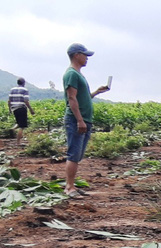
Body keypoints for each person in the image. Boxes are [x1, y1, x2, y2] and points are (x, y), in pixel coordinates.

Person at [62, 43, 110, 198]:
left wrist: (96, 92)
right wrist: (79, 120)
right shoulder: (72, 74)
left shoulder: (78, 74)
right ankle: (69, 188)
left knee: (78, 154)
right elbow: (71, 98)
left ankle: (72, 185)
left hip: (84, 119)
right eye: (85, 55)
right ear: (77, 55)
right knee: (74, 154)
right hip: (77, 120)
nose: (87, 58)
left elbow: (82, 98)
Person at [7, 77, 35, 145]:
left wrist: (10, 109)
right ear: (24, 83)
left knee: (18, 123)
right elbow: (26, 101)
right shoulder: (25, 90)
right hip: (22, 108)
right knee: (22, 126)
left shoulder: (12, 89)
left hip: (14, 109)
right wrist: (31, 109)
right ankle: (18, 142)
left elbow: (9, 101)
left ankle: (13, 129)